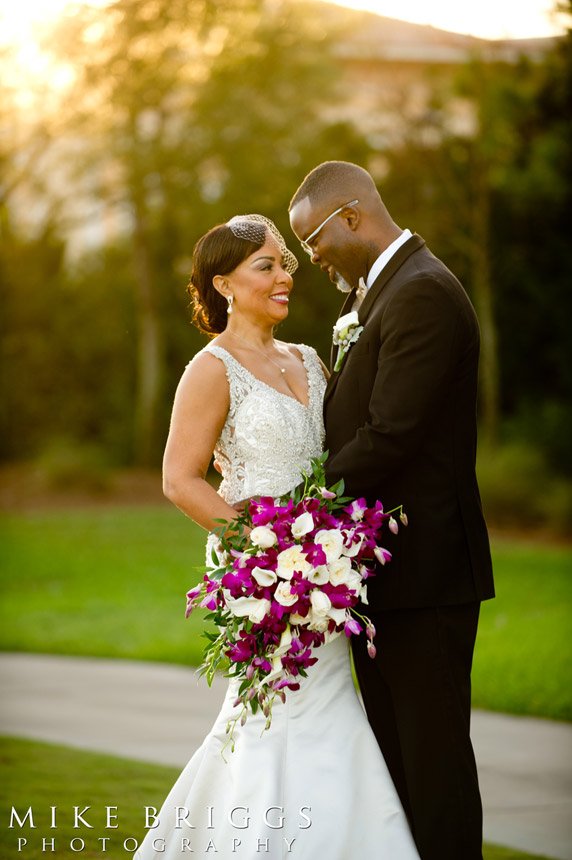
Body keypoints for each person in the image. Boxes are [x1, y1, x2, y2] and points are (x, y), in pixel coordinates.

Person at [134, 214, 420, 859]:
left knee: (328, 711)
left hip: (329, 582)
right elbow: (181, 481)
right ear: (225, 284)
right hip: (267, 582)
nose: (287, 276)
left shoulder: (312, 360)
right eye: (267, 266)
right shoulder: (210, 369)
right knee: (270, 718)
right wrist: (273, 552)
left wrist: (326, 554)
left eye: (287, 262)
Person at [289, 161, 495, 860]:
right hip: (379, 573)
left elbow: (391, 434)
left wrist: (297, 499)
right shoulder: (371, 298)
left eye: (313, 241)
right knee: (394, 763)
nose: (311, 259)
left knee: (432, 765)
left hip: (427, 573)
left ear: (349, 216)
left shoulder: (424, 292)